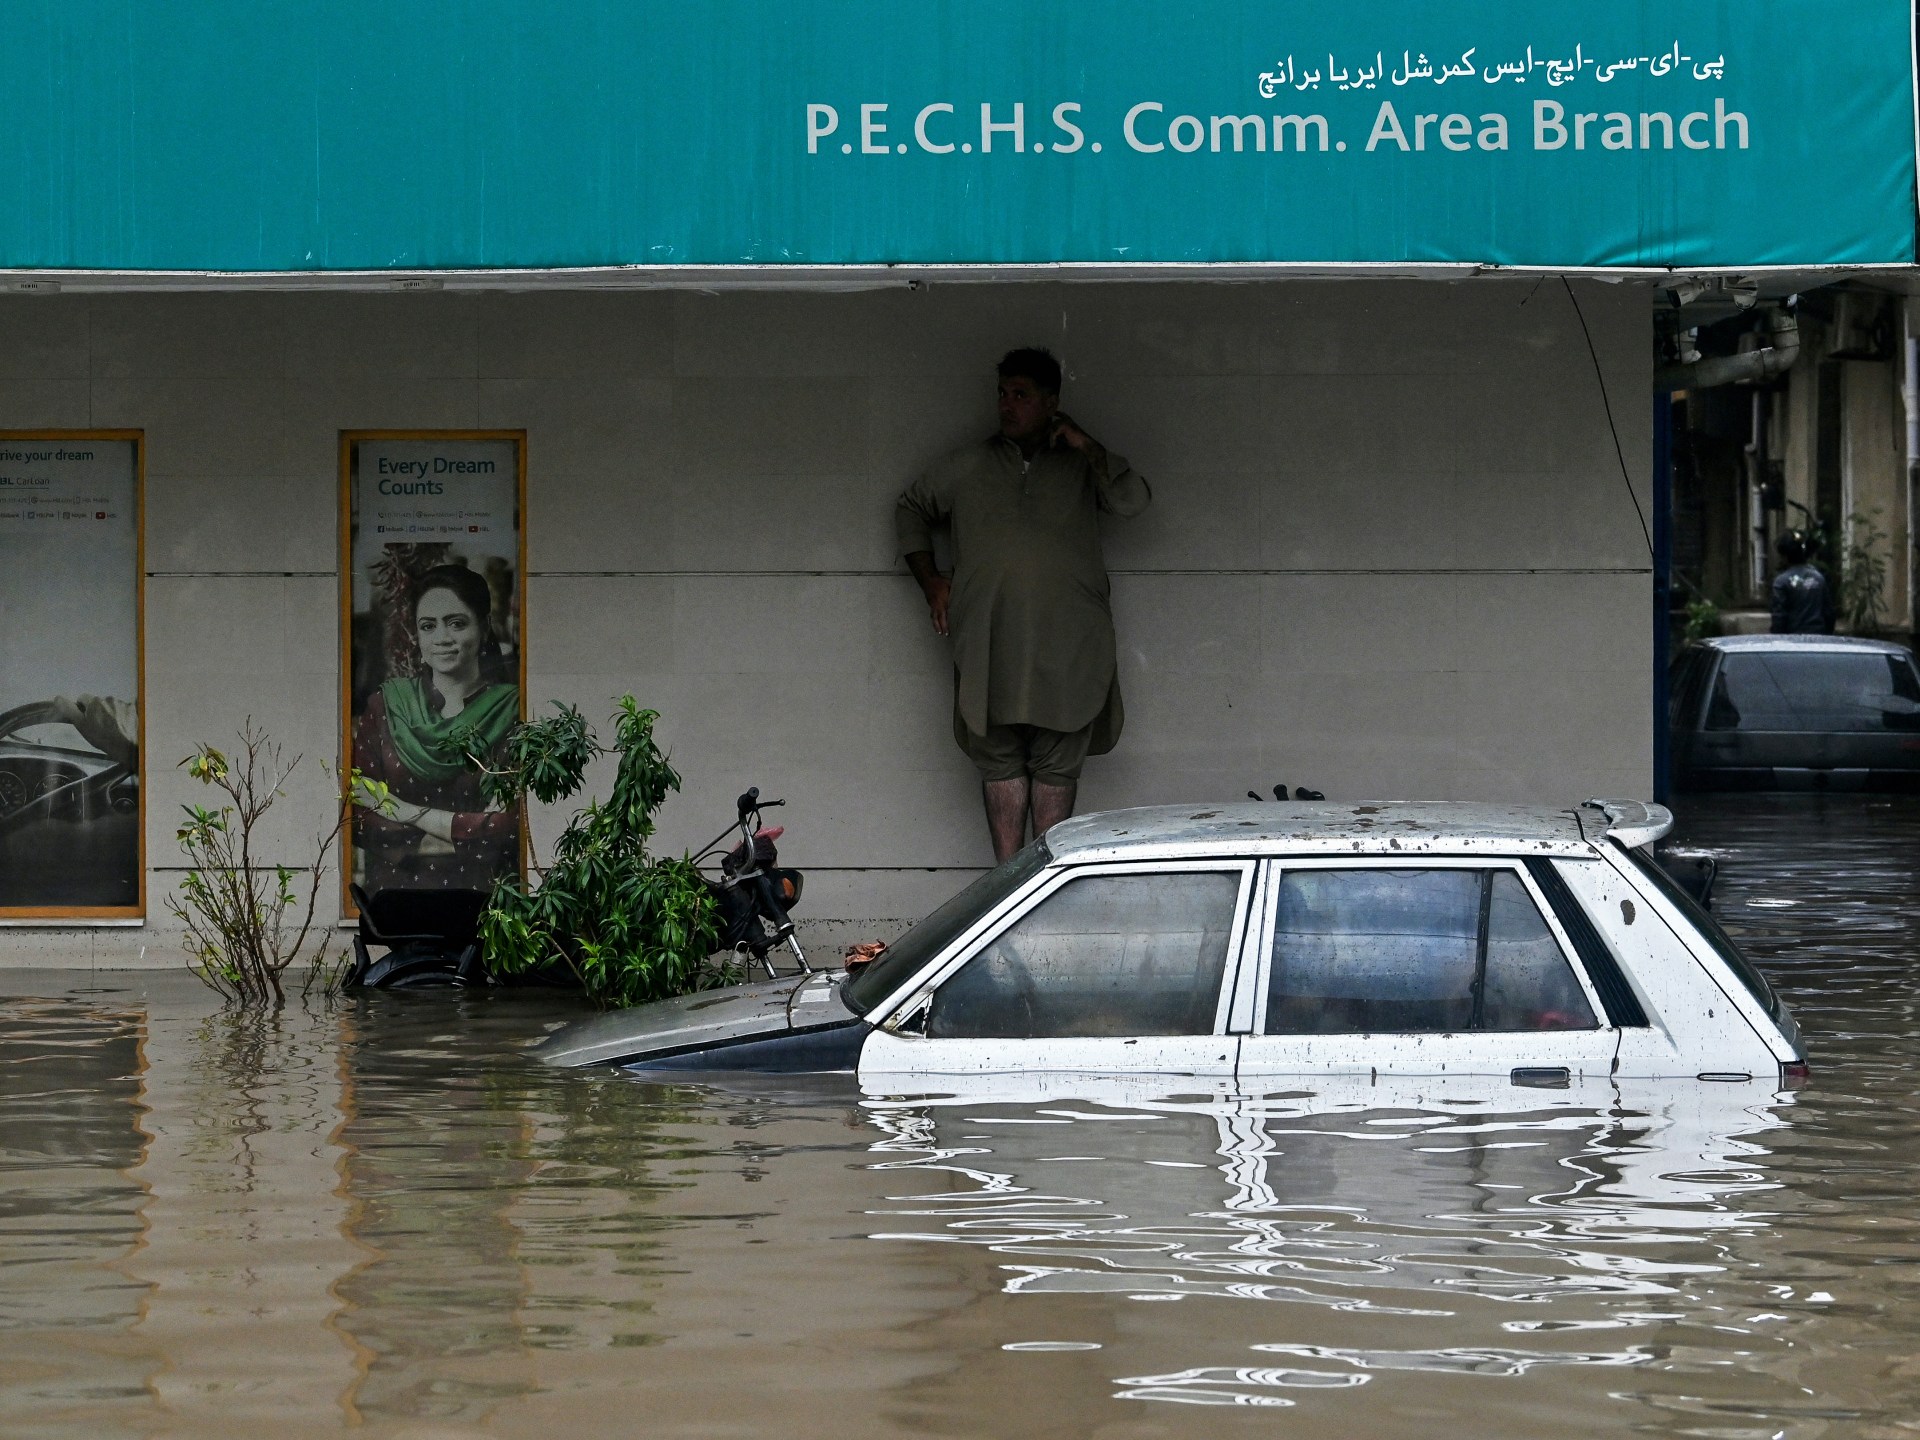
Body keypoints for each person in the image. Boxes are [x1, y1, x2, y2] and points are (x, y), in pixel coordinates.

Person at [896, 348, 1151, 862]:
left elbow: (1133, 501)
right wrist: (932, 583)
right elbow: (911, 508)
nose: (1006, 406)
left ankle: (1044, 891)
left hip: (1069, 650)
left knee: (1059, 764)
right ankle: (1003, 896)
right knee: (999, 763)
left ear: (1051, 401)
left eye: (1021, 395)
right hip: (990, 646)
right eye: (1002, 394)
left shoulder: (1081, 464)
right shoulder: (969, 464)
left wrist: (1086, 445)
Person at [352, 564, 520, 892]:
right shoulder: (387, 706)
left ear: (483, 629)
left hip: (489, 902)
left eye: (456, 623)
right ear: (417, 635)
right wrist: (462, 831)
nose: (441, 638)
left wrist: (403, 811)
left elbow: (507, 827)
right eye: (428, 626)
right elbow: (359, 818)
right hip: (396, 901)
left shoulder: (511, 711)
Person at [1770, 529, 1835, 634]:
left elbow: (1779, 617)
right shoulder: (1818, 578)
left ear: (1785, 556)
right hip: (1819, 637)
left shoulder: (1781, 582)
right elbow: (1828, 613)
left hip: (1792, 641)